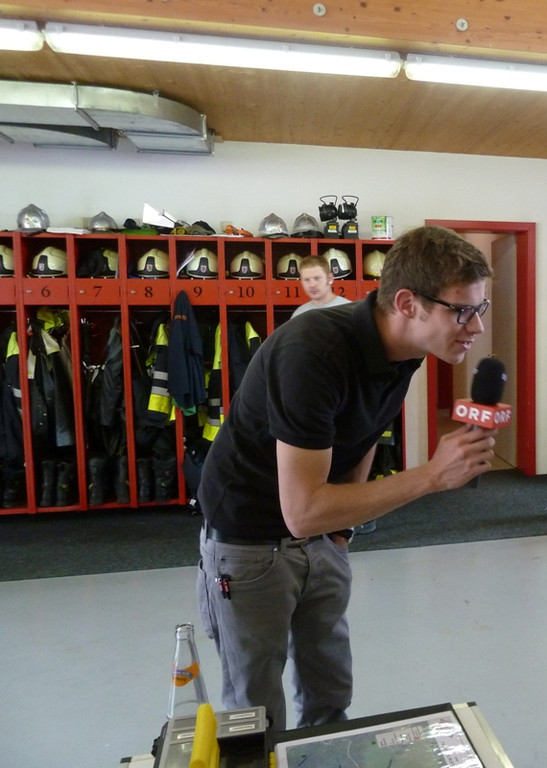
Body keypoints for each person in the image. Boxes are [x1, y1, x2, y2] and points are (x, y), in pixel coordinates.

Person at [196, 225, 496, 732]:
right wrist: (430, 477)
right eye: (463, 311)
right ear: (407, 304)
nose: (477, 326)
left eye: (479, 308)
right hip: (249, 543)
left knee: (330, 695)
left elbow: (363, 431)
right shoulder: (313, 349)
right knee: (255, 713)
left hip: (323, 535)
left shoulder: (406, 351)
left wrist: (341, 530)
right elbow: (301, 512)